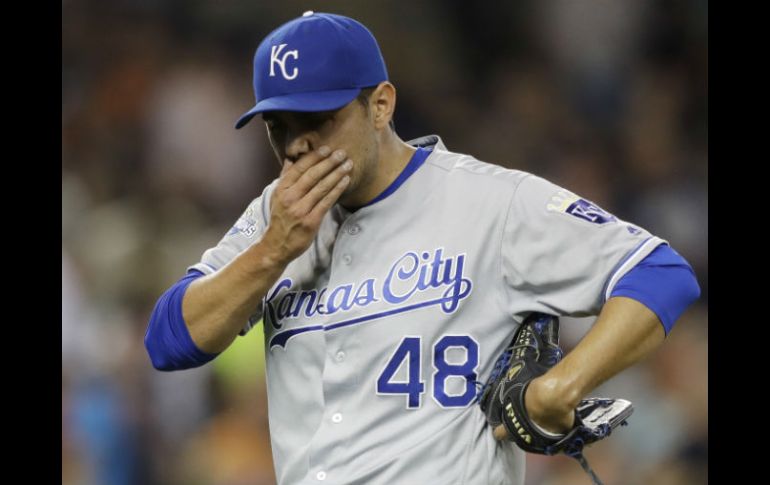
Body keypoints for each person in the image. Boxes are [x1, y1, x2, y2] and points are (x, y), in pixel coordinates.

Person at [145, 11, 700, 485]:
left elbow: (660, 273)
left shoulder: (490, 201)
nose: (298, 146)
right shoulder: (274, 217)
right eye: (279, 126)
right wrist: (272, 251)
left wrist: (565, 383)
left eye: (319, 119)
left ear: (381, 105)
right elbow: (169, 341)